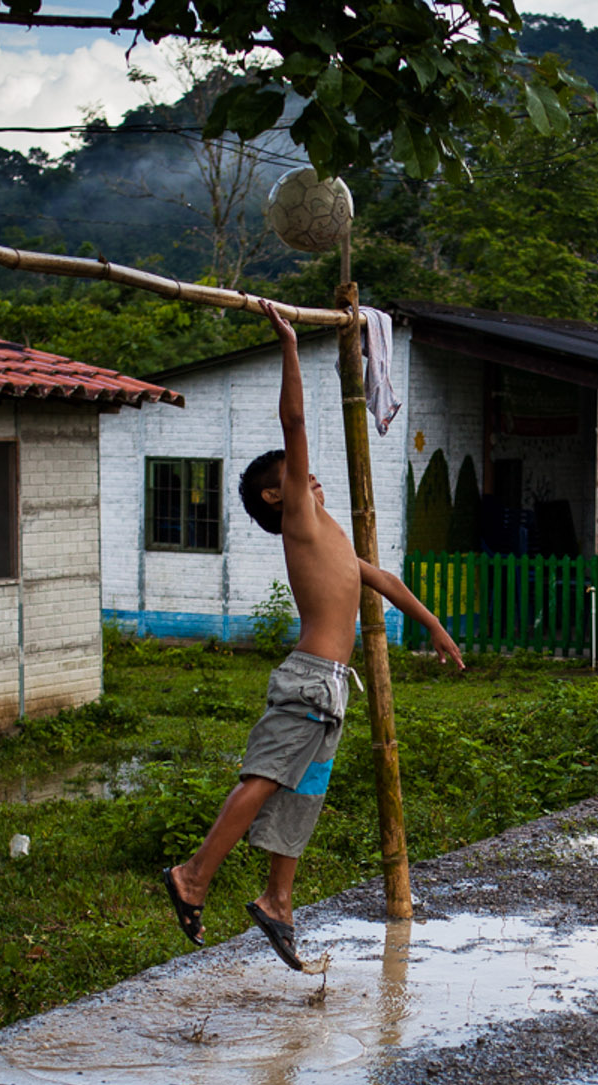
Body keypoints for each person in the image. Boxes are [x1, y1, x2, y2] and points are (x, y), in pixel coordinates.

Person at [160, 299, 465, 971]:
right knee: (266, 778)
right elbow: (293, 422)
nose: (311, 477)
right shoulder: (299, 516)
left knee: (302, 795)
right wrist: (290, 346)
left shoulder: (329, 537)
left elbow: (384, 580)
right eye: (296, 477)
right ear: (278, 495)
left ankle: (276, 901)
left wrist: (437, 630)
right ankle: (193, 876)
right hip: (307, 680)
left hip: (330, 689)